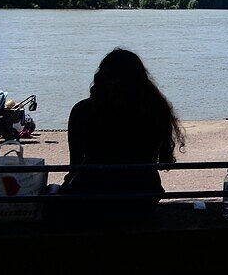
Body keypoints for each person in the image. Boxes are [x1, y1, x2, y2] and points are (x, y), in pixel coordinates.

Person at [57, 48, 184, 219]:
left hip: (94, 198)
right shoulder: (155, 109)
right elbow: (163, 161)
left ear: (101, 77)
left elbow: (76, 165)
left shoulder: (83, 110)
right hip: (143, 199)